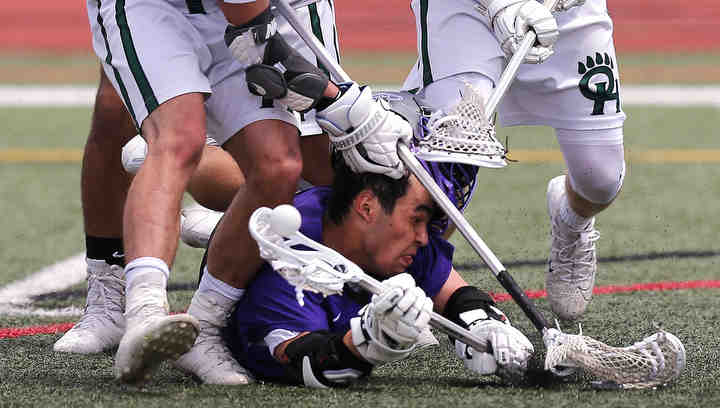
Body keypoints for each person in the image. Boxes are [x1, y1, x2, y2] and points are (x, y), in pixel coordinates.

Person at [58, 0, 412, 386]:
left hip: (252, 16)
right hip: (157, 7)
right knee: (178, 138)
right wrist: (345, 104)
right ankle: (143, 314)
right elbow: (256, 37)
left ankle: (205, 327)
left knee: (279, 165)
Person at [224, 156, 534, 387]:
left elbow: (457, 296)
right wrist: (367, 342)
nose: (424, 237)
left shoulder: (391, 239)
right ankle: (213, 226)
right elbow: (300, 360)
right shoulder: (287, 259)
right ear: (367, 206)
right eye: (417, 219)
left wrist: (483, 326)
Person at [403, 0, 626, 320]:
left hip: (566, 14)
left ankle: (572, 222)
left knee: (601, 179)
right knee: (442, 161)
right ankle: (409, 281)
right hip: (468, 12)